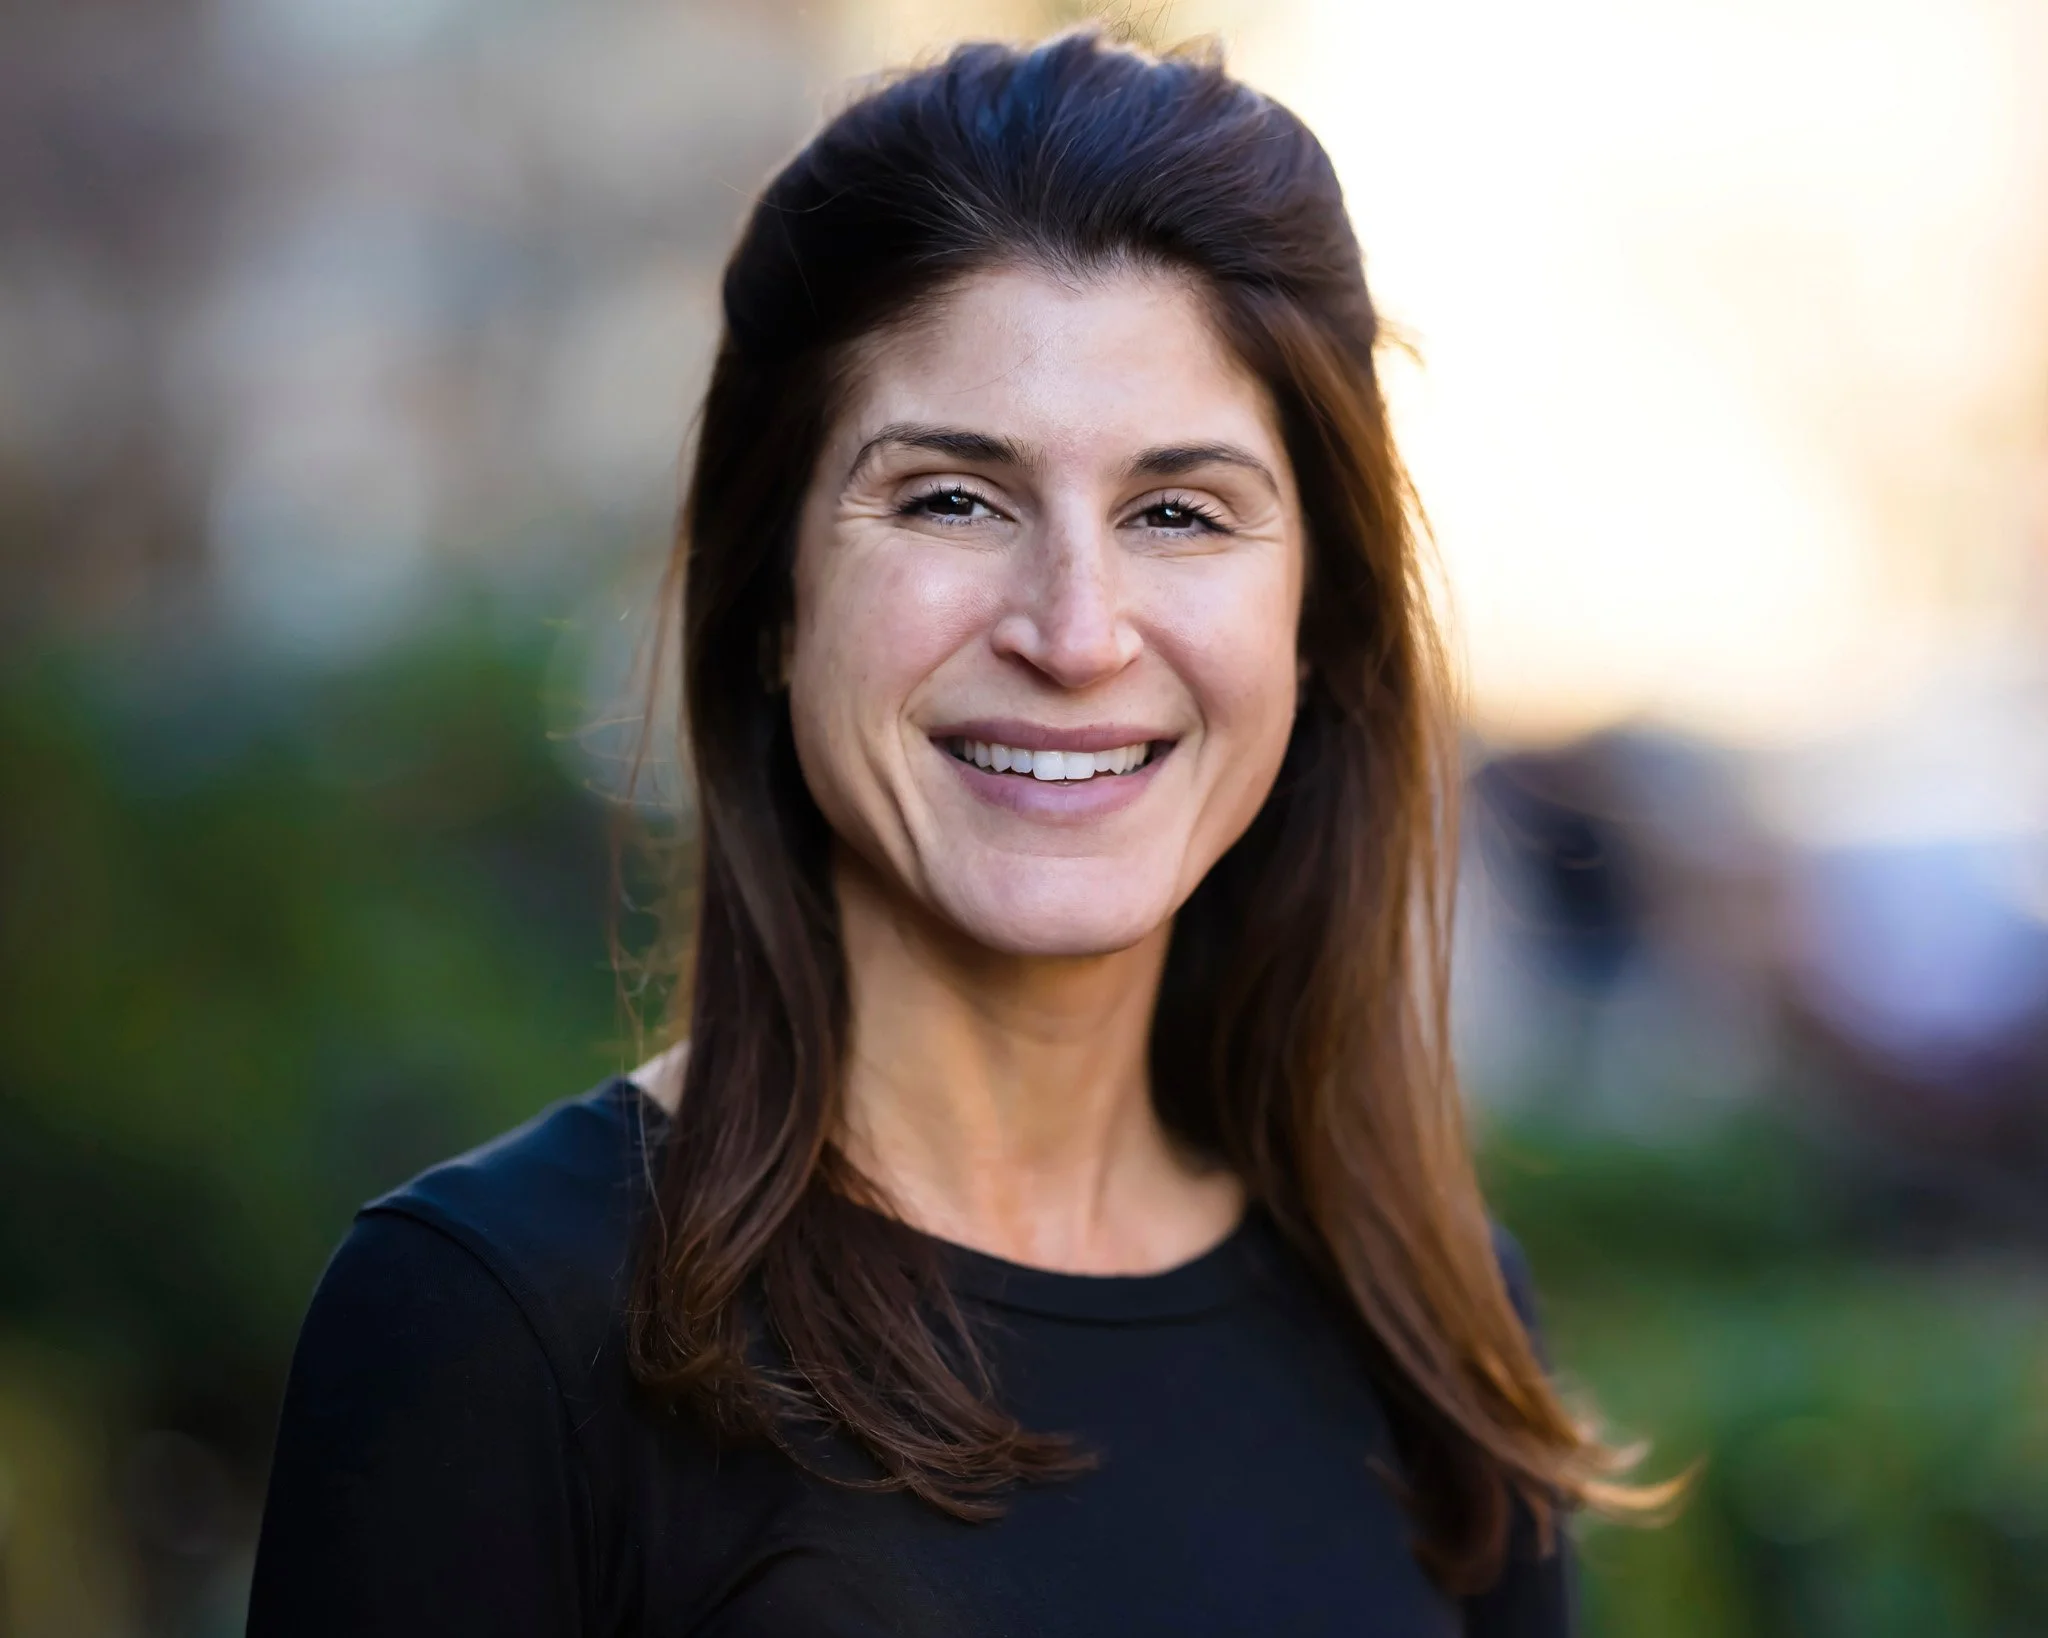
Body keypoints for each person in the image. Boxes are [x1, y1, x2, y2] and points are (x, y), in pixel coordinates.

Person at [248, 31, 1662, 1636]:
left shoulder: (1435, 1325)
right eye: (950, 498)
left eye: (1178, 511)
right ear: (775, 597)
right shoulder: (492, 1327)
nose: (1075, 630)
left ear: (1317, 620)